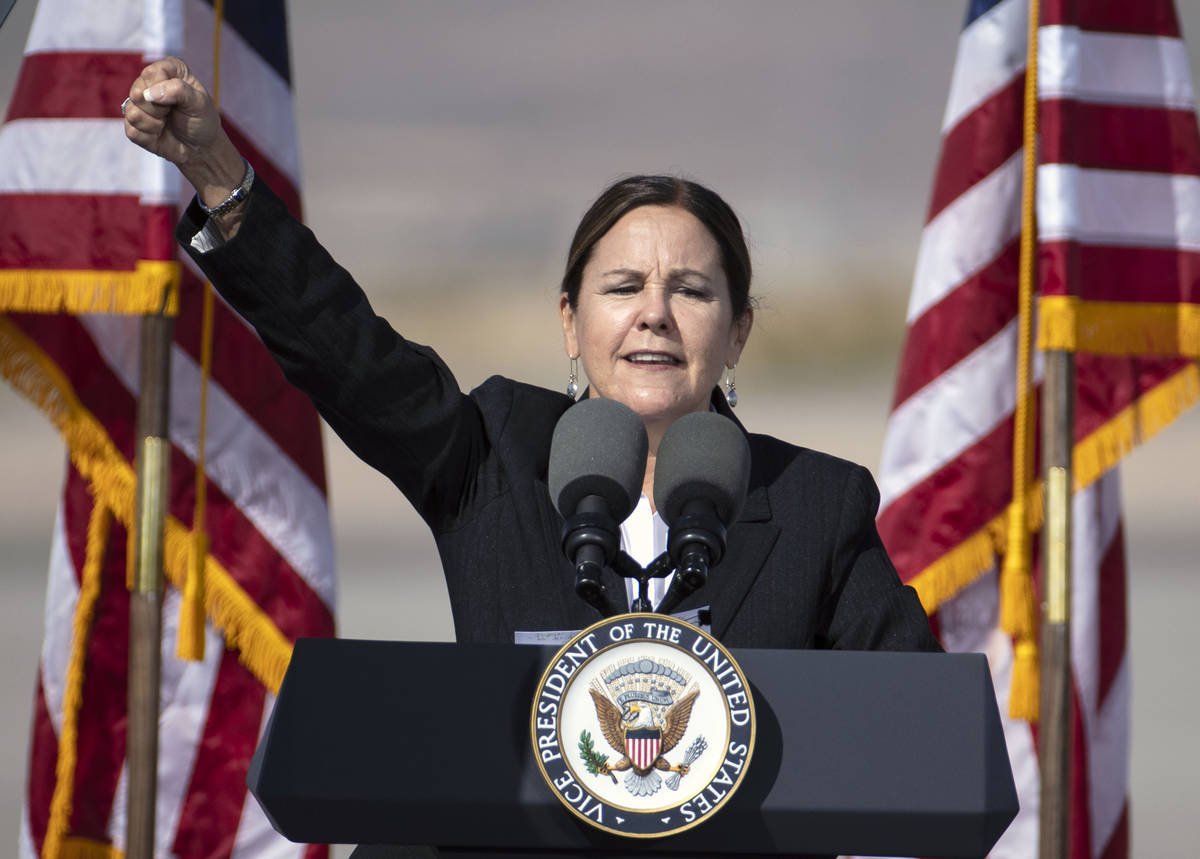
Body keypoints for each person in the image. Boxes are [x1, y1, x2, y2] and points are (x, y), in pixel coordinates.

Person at [123, 58, 940, 652]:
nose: (654, 314)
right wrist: (221, 179)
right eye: (623, 287)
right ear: (569, 322)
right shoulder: (496, 454)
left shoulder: (816, 505)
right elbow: (350, 354)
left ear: (737, 333)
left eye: (691, 291)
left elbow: (917, 730)